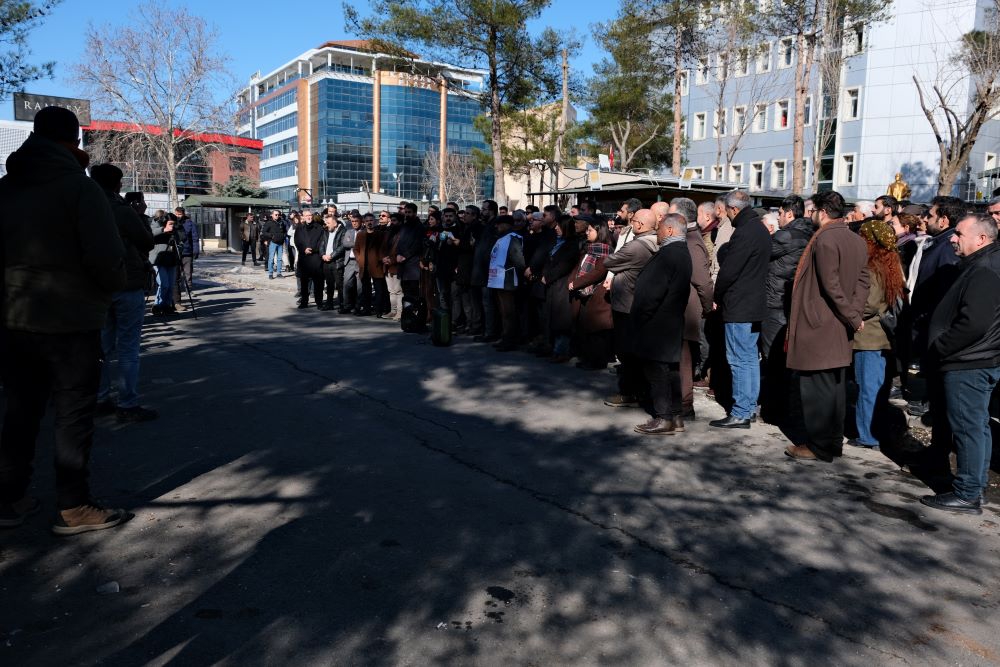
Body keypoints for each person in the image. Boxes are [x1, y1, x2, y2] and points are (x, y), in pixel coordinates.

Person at [0, 106, 130, 534]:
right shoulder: (79, 188)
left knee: (19, 412)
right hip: (70, 320)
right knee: (72, 414)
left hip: (14, 318)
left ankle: (8, 498)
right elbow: (106, 257)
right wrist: (109, 289)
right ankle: (73, 507)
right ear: (74, 141)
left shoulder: (6, 187)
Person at [918, 213, 1000, 514]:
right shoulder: (982, 263)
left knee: (968, 428)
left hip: (968, 362)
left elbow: (974, 323)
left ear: (981, 238)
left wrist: (942, 346)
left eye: (960, 234)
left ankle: (967, 493)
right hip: (974, 358)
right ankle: (974, 488)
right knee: (976, 426)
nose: (953, 238)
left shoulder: (986, 269)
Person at [784, 190, 870, 462]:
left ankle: (819, 446)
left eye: (812, 211)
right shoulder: (855, 239)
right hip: (838, 325)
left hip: (820, 325)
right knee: (834, 389)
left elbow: (831, 285)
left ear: (822, 212)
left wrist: (852, 316)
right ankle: (831, 443)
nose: (810, 215)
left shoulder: (825, 239)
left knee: (817, 390)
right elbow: (863, 281)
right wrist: (855, 313)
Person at [90, 165, 157, 423]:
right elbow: (147, 241)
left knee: (102, 347)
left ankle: (100, 398)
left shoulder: (83, 206)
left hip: (96, 284)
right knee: (128, 348)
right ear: (117, 184)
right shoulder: (121, 210)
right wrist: (138, 216)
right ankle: (127, 403)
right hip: (126, 282)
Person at [710, 191, 770, 429]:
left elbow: (729, 271)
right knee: (749, 358)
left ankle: (742, 411)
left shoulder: (745, 232)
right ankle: (749, 407)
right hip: (753, 302)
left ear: (734, 209)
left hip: (740, 304)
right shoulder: (759, 229)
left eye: (726, 210)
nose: (725, 215)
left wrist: (717, 295)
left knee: (739, 360)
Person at [631, 214, 693, 435]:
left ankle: (664, 418)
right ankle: (675, 416)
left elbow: (651, 293)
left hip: (657, 322)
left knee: (658, 371)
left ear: (669, 230)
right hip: (671, 320)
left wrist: (640, 317)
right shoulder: (682, 252)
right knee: (671, 370)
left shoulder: (669, 254)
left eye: (659, 228)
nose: (656, 232)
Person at [851, 219, 905, 450]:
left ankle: (867, 435)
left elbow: (869, 303)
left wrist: (850, 313)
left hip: (869, 337)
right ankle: (875, 431)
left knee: (868, 388)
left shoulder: (872, 266)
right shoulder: (891, 262)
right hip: (882, 337)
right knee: (876, 388)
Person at [760, 195, 814, 424]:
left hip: (775, 301)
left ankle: (774, 409)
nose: (779, 217)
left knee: (773, 357)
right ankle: (782, 406)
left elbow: (761, 251)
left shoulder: (786, 236)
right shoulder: (809, 234)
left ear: (789, 213)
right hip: (790, 300)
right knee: (784, 357)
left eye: (780, 213)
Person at [602, 209, 660, 408]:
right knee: (637, 352)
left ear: (640, 225)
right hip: (641, 303)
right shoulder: (657, 242)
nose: (631, 223)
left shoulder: (636, 246)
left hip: (627, 306)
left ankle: (629, 392)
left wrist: (621, 267)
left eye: (633, 221)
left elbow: (609, 261)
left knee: (627, 353)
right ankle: (640, 390)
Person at [541, 215, 580, 362]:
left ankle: (562, 350)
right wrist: (545, 274)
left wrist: (548, 276)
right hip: (553, 285)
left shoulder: (572, 244)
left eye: (559, 225)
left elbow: (564, 265)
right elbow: (548, 260)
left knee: (561, 320)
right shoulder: (557, 242)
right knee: (553, 318)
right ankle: (553, 348)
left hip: (562, 285)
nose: (556, 228)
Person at [487, 215, 526, 351]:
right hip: (498, 280)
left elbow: (519, 261)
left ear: (507, 224)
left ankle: (510, 340)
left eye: (499, 224)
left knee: (508, 312)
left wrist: (519, 278)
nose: (496, 226)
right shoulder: (501, 238)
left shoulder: (513, 238)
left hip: (507, 280)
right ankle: (505, 337)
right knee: (503, 311)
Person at [149, 209, 178, 313]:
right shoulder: (153, 224)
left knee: (170, 285)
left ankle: (167, 305)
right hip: (158, 259)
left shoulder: (172, 227)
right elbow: (150, 233)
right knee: (163, 284)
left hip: (170, 258)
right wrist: (164, 229)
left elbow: (181, 238)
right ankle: (158, 305)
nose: (171, 225)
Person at [294, 212, 325, 309]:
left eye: (310, 215)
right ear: (303, 217)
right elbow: (297, 241)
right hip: (304, 258)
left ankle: (319, 302)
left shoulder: (319, 228)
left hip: (316, 257)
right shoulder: (299, 228)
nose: (309, 217)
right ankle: (304, 302)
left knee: (318, 282)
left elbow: (322, 241)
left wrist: (313, 249)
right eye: (307, 215)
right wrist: (304, 249)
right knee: (304, 282)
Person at [172, 206, 199, 309]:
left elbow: (195, 238)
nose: (178, 216)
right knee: (176, 276)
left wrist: (196, 250)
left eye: (180, 214)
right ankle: (176, 297)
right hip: (175, 253)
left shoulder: (190, 223)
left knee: (188, 273)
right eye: (176, 214)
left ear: (183, 214)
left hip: (187, 252)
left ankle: (189, 290)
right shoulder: (172, 222)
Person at [319, 212, 344, 311]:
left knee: (339, 284)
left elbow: (342, 246)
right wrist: (323, 255)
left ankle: (342, 304)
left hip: (337, 261)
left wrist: (331, 256)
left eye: (328, 223)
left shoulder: (343, 231)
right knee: (329, 284)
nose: (327, 225)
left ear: (335, 223)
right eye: (326, 223)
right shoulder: (325, 231)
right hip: (326, 261)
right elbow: (321, 244)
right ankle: (329, 304)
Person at [262, 210, 287, 279]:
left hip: (280, 243)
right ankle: (270, 273)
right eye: (276, 214)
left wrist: (283, 236)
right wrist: (271, 236)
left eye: (278, 215)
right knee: (271, 258)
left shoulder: (281, 222)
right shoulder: (269, 223)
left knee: (279, 259)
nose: (277, 216)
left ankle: (279, 273)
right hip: (273, 243)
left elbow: (285, 231)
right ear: (272, 215)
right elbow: (264, 232)